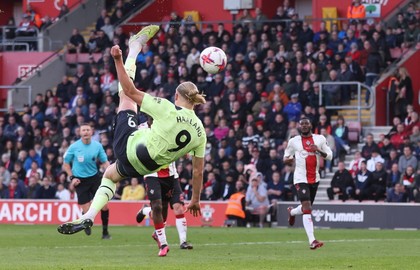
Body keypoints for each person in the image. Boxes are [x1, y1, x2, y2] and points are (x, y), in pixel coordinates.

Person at [58, 25, 206, 257]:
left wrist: (118, 59)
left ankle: (134, 48)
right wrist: (195, 200)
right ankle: (88, 217)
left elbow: (128, 88)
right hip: (147, 167)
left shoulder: (167, 108)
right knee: (110, 175)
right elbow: (197, 173)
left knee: (126, 96)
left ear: (177, 96)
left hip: (133, 146)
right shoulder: (201, 132)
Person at [284, 117, 333, 250]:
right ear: (299, 126)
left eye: (307, 123)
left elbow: (329, 156)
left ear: (311, 125)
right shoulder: (294, 141)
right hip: (300, 178)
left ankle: (293, 212)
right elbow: (286, 156)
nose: (304, 126)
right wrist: (287, 161)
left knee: (307, 207)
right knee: (307, 206)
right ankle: (312, 240)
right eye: (302, 124)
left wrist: (318, 150)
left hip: (315, 178)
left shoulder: (320, 139)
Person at [62, 123, 111, 239]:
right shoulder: (74, 147)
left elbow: (105, 162)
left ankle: (105, 232)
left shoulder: (97, 146)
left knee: (104, 206)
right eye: (83, 130)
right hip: (80, 181)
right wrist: (72, 177)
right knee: (87, 210)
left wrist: (109, 174)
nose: (85, 132)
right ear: (80, 133)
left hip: (94, 178)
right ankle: (86, 222)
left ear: (91, 132)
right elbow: (66, 164)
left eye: (88, 130)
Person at [136, 161, 194, 251]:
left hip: (172, 176)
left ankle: (183, 242)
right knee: (159, 209)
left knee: (179, 208)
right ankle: (146, 210)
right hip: (153, 175)